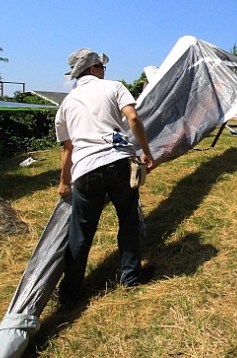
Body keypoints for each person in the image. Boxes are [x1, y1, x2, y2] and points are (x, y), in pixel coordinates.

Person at [55, 48, 157, 305]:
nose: (104, 71)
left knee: (81, 233)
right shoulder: (113, 87)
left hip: (85, 171)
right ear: (92, 69)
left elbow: (68, 149)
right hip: (118, 163)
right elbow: (132, 117)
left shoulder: (66, 103)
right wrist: (146, 152)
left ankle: (69, 294)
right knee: (128, 220)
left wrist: (64, 182)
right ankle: (131, 277)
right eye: (101, 67)